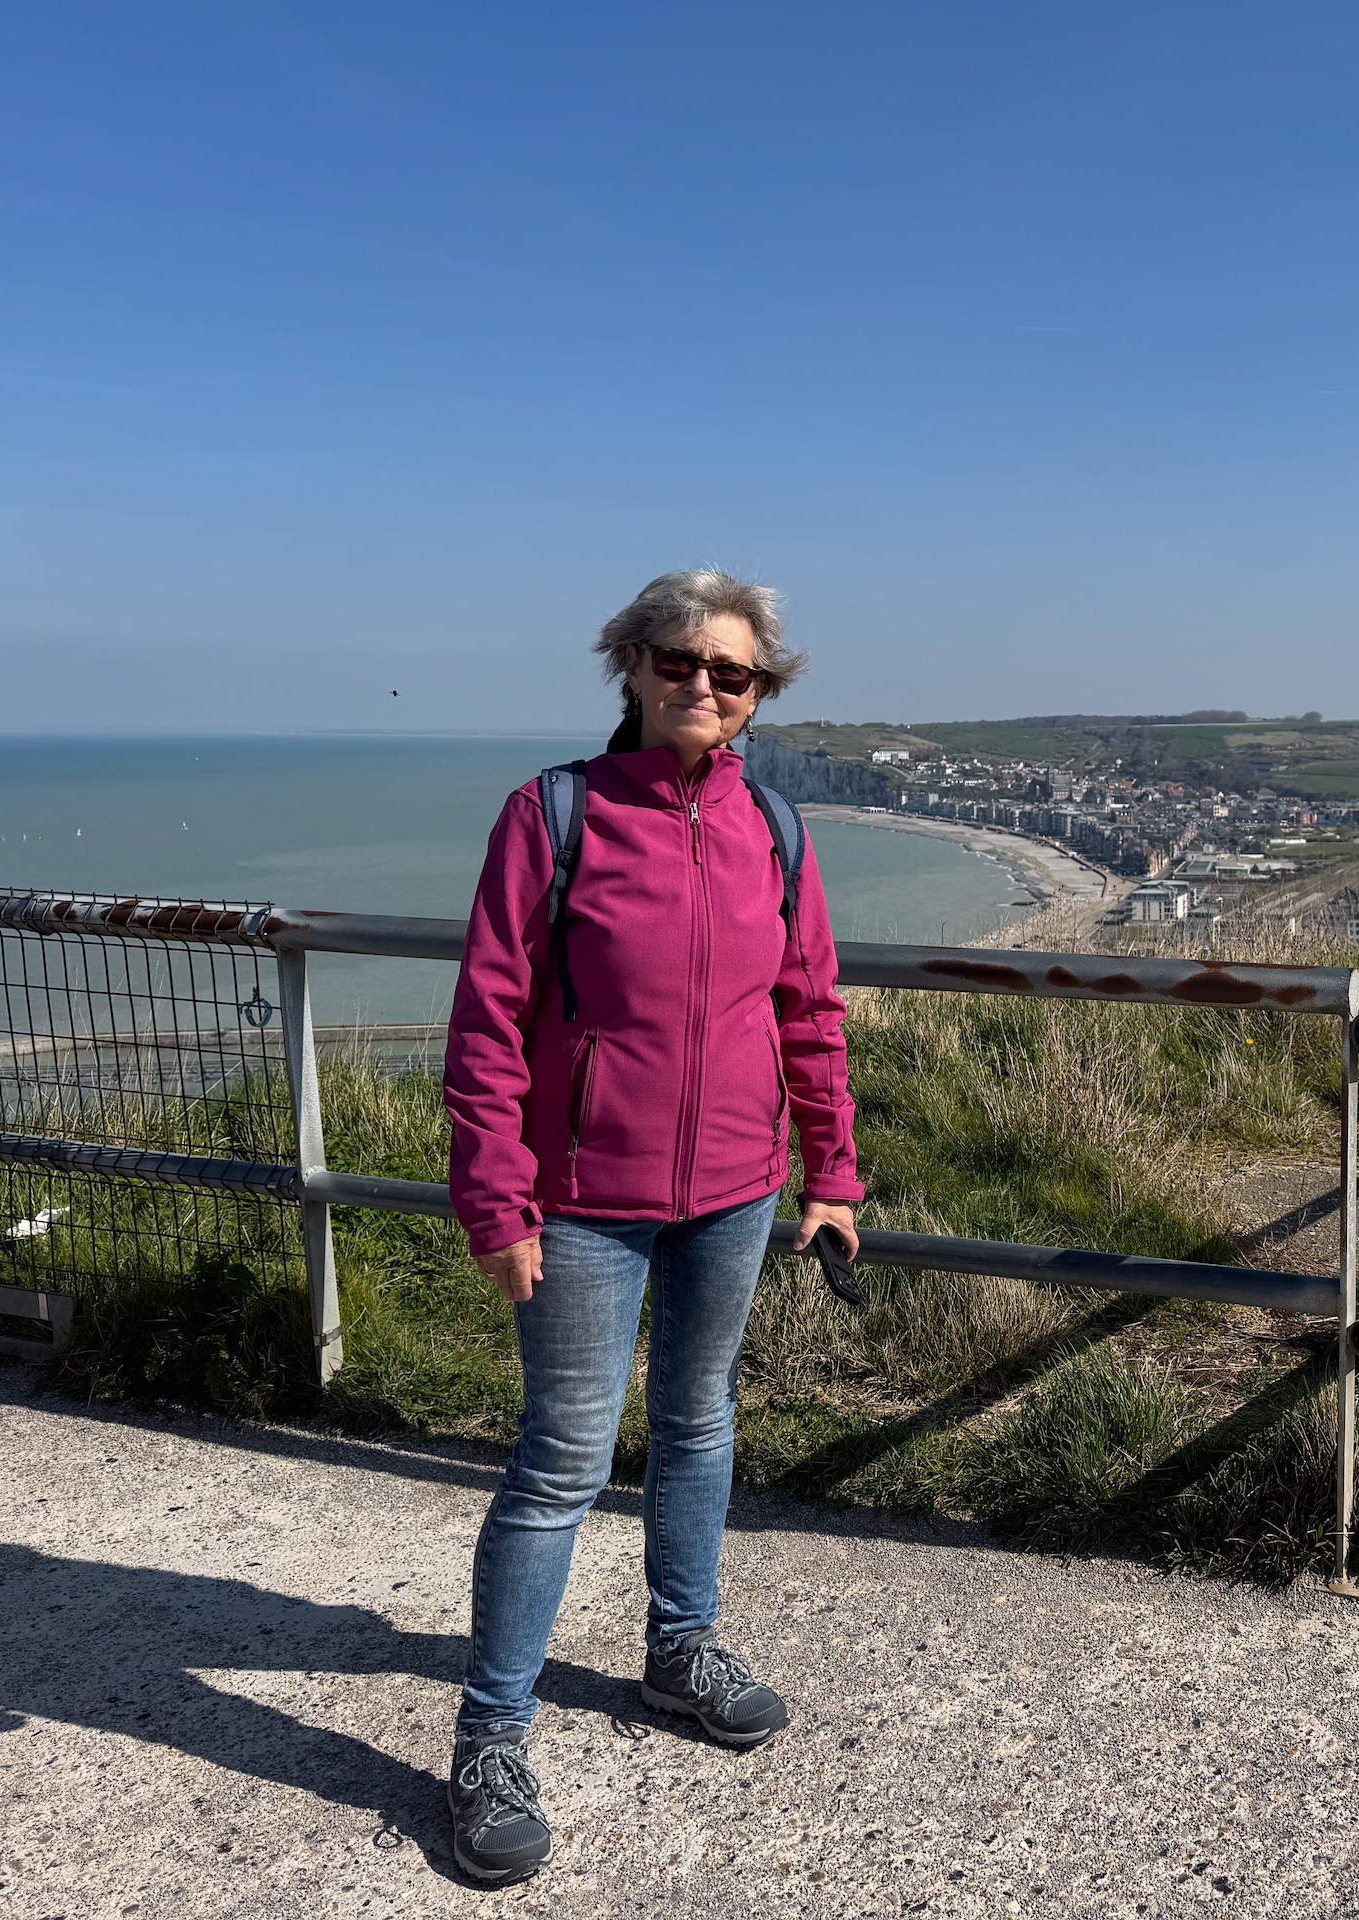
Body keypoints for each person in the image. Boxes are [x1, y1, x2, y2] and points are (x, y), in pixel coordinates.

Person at [439, 570, 863, 1885]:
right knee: (562, 1459)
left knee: (698, 1423)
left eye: (730, 672)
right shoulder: (555, 813)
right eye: (677, 661)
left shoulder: (774, 830)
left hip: (736, 1189)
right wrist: (495, 1200)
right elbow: (488, 1020)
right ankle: (490, 1737)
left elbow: (809, 1010)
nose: (702, 686)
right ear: (630, 667)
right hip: (578, 1201)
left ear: (759, 694)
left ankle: (681, 1650)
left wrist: (833, 1174)